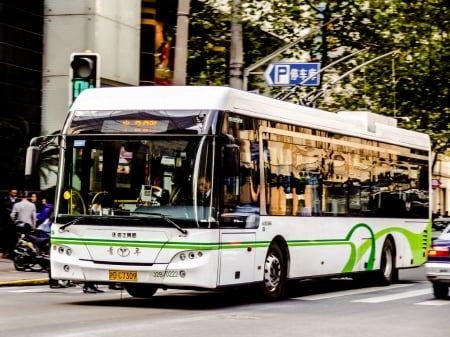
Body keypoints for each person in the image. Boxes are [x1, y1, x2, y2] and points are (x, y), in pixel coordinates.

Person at [0, 188, 18, 258]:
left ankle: (11, 252)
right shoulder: (5, 199)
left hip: (14, 222)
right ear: (10, 192)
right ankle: (5, 251)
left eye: (15, 193)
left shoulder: (17, 200)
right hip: (6, 221)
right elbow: (2, 209)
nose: (14, 194)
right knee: (6, 237)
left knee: (13, 238)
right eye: (13, 193)